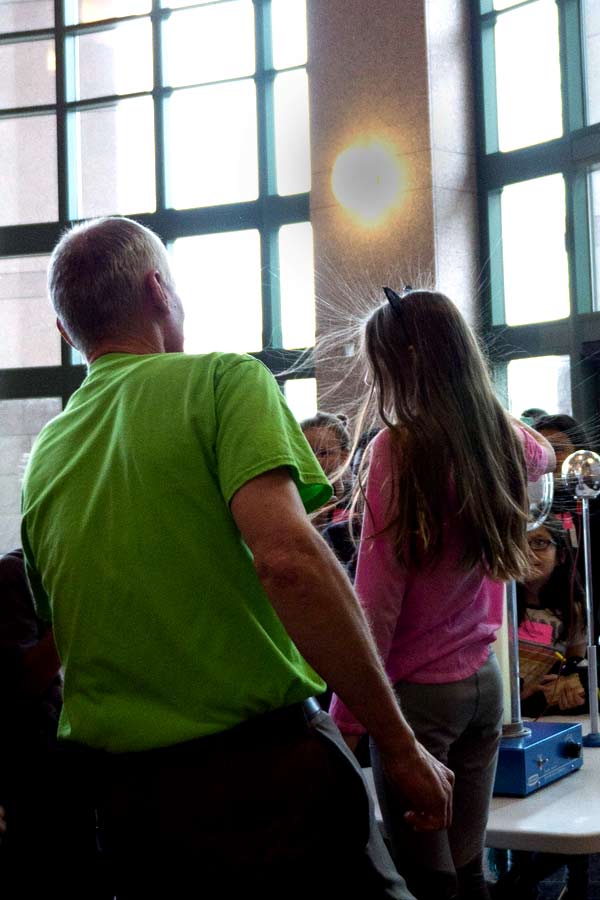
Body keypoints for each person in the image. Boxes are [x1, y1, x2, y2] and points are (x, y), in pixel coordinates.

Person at [20, 217, 454, 900]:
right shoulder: (222, 382)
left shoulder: (44, 455)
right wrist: (397, 743)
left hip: (129, 807)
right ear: (158, 291)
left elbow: (63, 637)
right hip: (267, 781)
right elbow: (288, 561)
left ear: (66, 330)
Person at [330, 286, 555, 900]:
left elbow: (374, 604)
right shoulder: (500, 440)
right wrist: (474, 403)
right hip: (484, 685)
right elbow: (539, 450)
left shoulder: (396, 448)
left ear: (399, 366)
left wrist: (348, 716)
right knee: (467, 869)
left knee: (427, 882)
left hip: (417, 700)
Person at [0, 549, 109, 898]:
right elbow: (24, 681)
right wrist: (77, 616)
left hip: (76, 772)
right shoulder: (15, 575)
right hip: (39, 782)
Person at [518, 516, 586, 717]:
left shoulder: (574, 611)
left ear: (561, 556)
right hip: (500, 710)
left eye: (540, 543)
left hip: (540, 714)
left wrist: (567, 686)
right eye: (519, 542)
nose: (527, 553)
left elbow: (573, 663)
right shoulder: (500, 605)